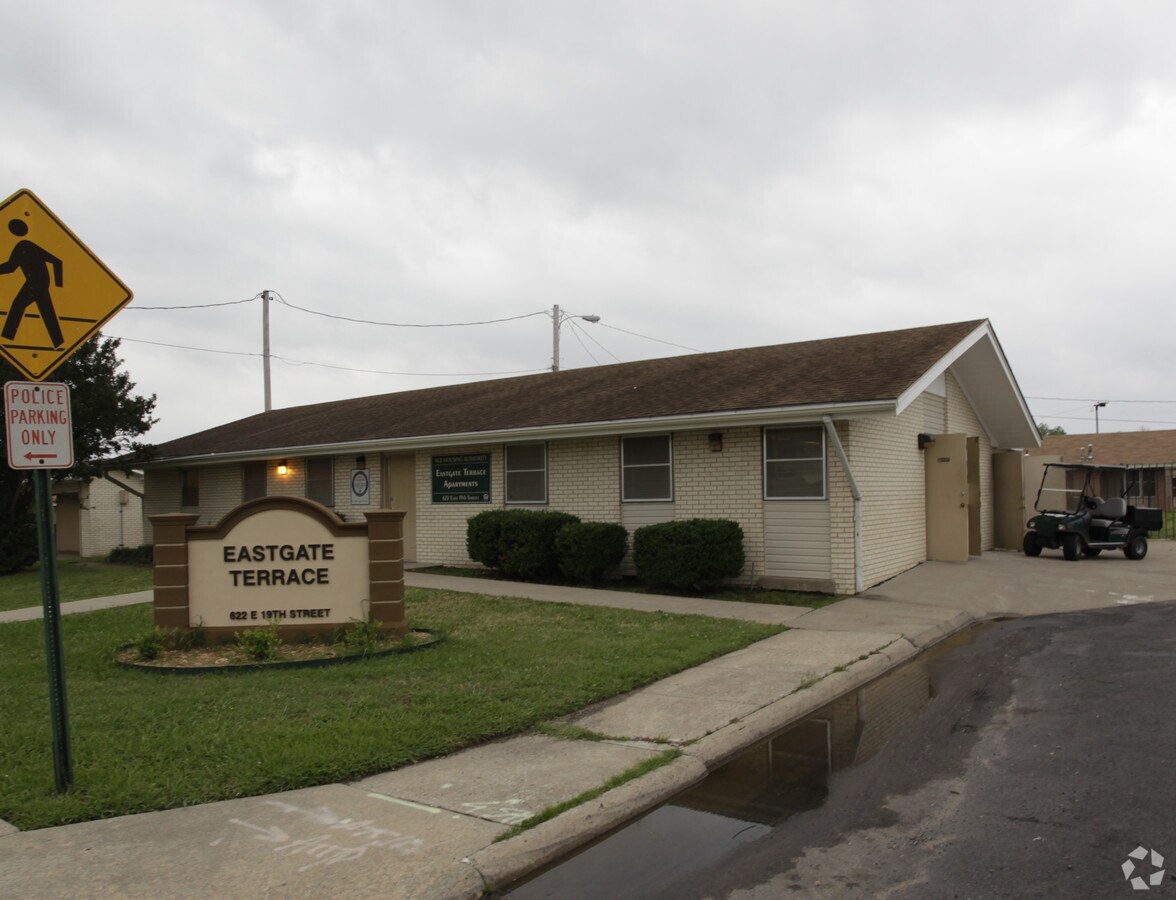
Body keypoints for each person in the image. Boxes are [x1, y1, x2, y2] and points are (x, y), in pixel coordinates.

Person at [1, 217, 64, 348]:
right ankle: (58, 342)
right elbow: (11, 267)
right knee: (47, 312)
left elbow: (57, 262)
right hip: (39, 282)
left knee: (17, 305)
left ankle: (7, 337)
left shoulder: (24, 245)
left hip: (36, 282)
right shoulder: (23, 245)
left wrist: (59, 286)